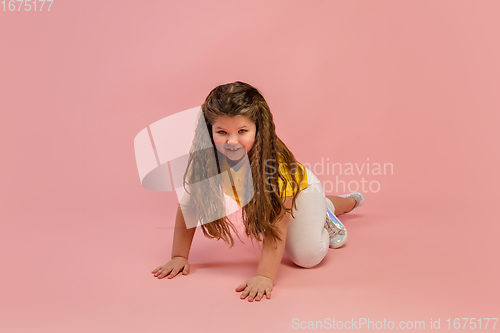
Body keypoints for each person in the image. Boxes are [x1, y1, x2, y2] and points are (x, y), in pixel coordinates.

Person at [151, 81, 364, 301]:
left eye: (242, 131)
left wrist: (264, 276)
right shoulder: (207, 160)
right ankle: (325, 206)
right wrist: (178, 256)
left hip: (302, 190)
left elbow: (276, 227)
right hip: (281, 196)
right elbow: (189, 206)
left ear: (258, 128)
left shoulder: (275, 168)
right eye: (222, 131)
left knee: (306, 257)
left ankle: (332, 206)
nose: (232, 141)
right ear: (209, 130)